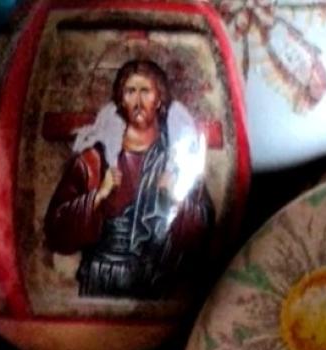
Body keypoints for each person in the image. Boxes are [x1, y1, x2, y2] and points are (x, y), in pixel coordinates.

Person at [44, 59, 215, 299]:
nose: (138, 101)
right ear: (121, 99)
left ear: (159, 99)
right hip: (101, 277)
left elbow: (206, 229)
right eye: (130, 91)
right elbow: (55, 228)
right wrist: (98, 196)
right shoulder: (95, 159)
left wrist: (176, 197)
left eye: (145, 91)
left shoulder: (177, 160)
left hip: (157, 280)